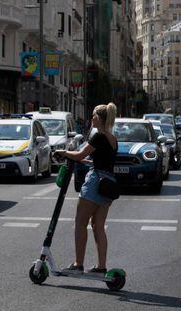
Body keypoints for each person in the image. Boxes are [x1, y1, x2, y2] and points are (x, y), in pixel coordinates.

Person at [55, 103, 118, 275]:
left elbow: (80, 154)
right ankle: (101, 266)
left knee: (80, 223)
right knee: (98, 226)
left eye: (93, 116)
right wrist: (84, 160)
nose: (91, 119)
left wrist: (64, 153)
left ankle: (78, 264)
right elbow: (102, 161)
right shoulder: (113, 139)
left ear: (99, 118)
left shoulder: (98, 136)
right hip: (108, 184)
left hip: (95, 182)